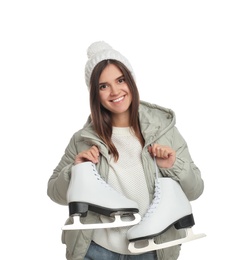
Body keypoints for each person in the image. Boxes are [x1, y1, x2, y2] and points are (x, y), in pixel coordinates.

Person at [47, 41, 204, 260]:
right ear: (95, 94)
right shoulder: (83, 139)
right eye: (103, 86)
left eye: (120, 80)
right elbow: (55, 193)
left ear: (131, 81)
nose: (115, 91)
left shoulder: (164, 131)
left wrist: (173, 166)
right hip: (96, 249)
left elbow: (195, 190)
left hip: (150, 249)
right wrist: (76, 170)